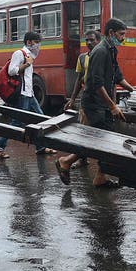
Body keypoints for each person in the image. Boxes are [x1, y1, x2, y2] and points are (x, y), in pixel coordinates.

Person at [71, 17, 134, 188]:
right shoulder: (100, 52)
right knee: (104, 139)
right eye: (121, 34)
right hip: (93, 103)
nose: (123, 38)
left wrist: (134, 91)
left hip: (102, 103)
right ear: (111, 33)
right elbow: (96, 83)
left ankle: (99, 176)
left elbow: (118, 76)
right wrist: (112, 106)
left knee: (104, 139)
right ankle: (66, 161)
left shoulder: (112, 50)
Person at [0, 31, 57, 159]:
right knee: (18, 121)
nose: (38, 46)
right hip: (21, 94)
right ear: (28, 42)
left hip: (29, 94)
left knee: (40, 119)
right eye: (36, 43)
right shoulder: (19, 53)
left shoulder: (28, 55)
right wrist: (27, 64)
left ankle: (40, 147)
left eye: (39, 43)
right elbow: (12, 71)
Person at [57, 30, 101, 172]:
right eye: (86, 40)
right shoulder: (82, 58)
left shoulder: (103, 56)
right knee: (85, 131)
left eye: (92, 40)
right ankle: (80, 160)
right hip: (87, 99)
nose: (89, 43)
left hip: (101, 99)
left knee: (97, 133)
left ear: (98, 41)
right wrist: (72, 99)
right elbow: (79, 79)